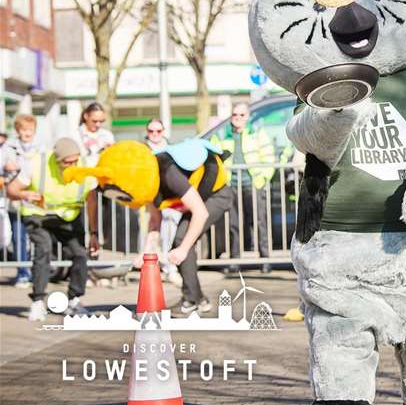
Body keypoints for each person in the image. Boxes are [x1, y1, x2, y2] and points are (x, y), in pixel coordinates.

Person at [66, 139, 233, 316]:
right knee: (180, 241)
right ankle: (198, 300)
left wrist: (183, 249)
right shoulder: (146, 182)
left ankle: (192, 300)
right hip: (200, 198)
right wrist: (144, 253)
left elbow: (201, 213)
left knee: (181, 240)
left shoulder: (169, 173)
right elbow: (155, 220)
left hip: (217, 195)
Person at [6, 138, 99, 321]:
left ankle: (74, 300)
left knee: (80, 253)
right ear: (57, 160)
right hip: (38, 215)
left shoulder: (86, 168)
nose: (72, 165)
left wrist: (94, 233)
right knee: (44, 249)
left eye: (75, 160)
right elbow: (12, 189)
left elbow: (92, 202)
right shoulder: (36, 164)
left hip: (68, 217)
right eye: (67, 162)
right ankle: (38, 302)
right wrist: (25, 194)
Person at [210, 103, 275, 273]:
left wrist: (263, 178)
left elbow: (269, 156)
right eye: (234, 115)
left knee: (259, 221)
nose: (237, 118)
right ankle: (234, 260)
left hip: (253, 184)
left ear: (247, 117)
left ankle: (265, 259)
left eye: (241, 115)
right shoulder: (222, 134)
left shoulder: (257, 133)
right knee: (234, 223)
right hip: (231, 185)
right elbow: (214, 156)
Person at [2, 115, 44, 288]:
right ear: (18, 130)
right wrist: (5, 168)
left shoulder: (41, 147)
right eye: (24, 130)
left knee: (38, 239)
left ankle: (39, 272)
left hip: (34, 201)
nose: (27, 133)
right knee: (19, 238)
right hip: (16, 201)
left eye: (30, 130)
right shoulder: (7, 147)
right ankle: (23, 273)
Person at [143, 118, 181, 285]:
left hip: (166, 192)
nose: (155, 134)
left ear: (163, 131)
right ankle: (148, 265)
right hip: (148, 193)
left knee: (168, 224)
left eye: (158, 131)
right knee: (150, 229)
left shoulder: (171, 148)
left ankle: (168, 266)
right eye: (151, 131)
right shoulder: (142, 149)